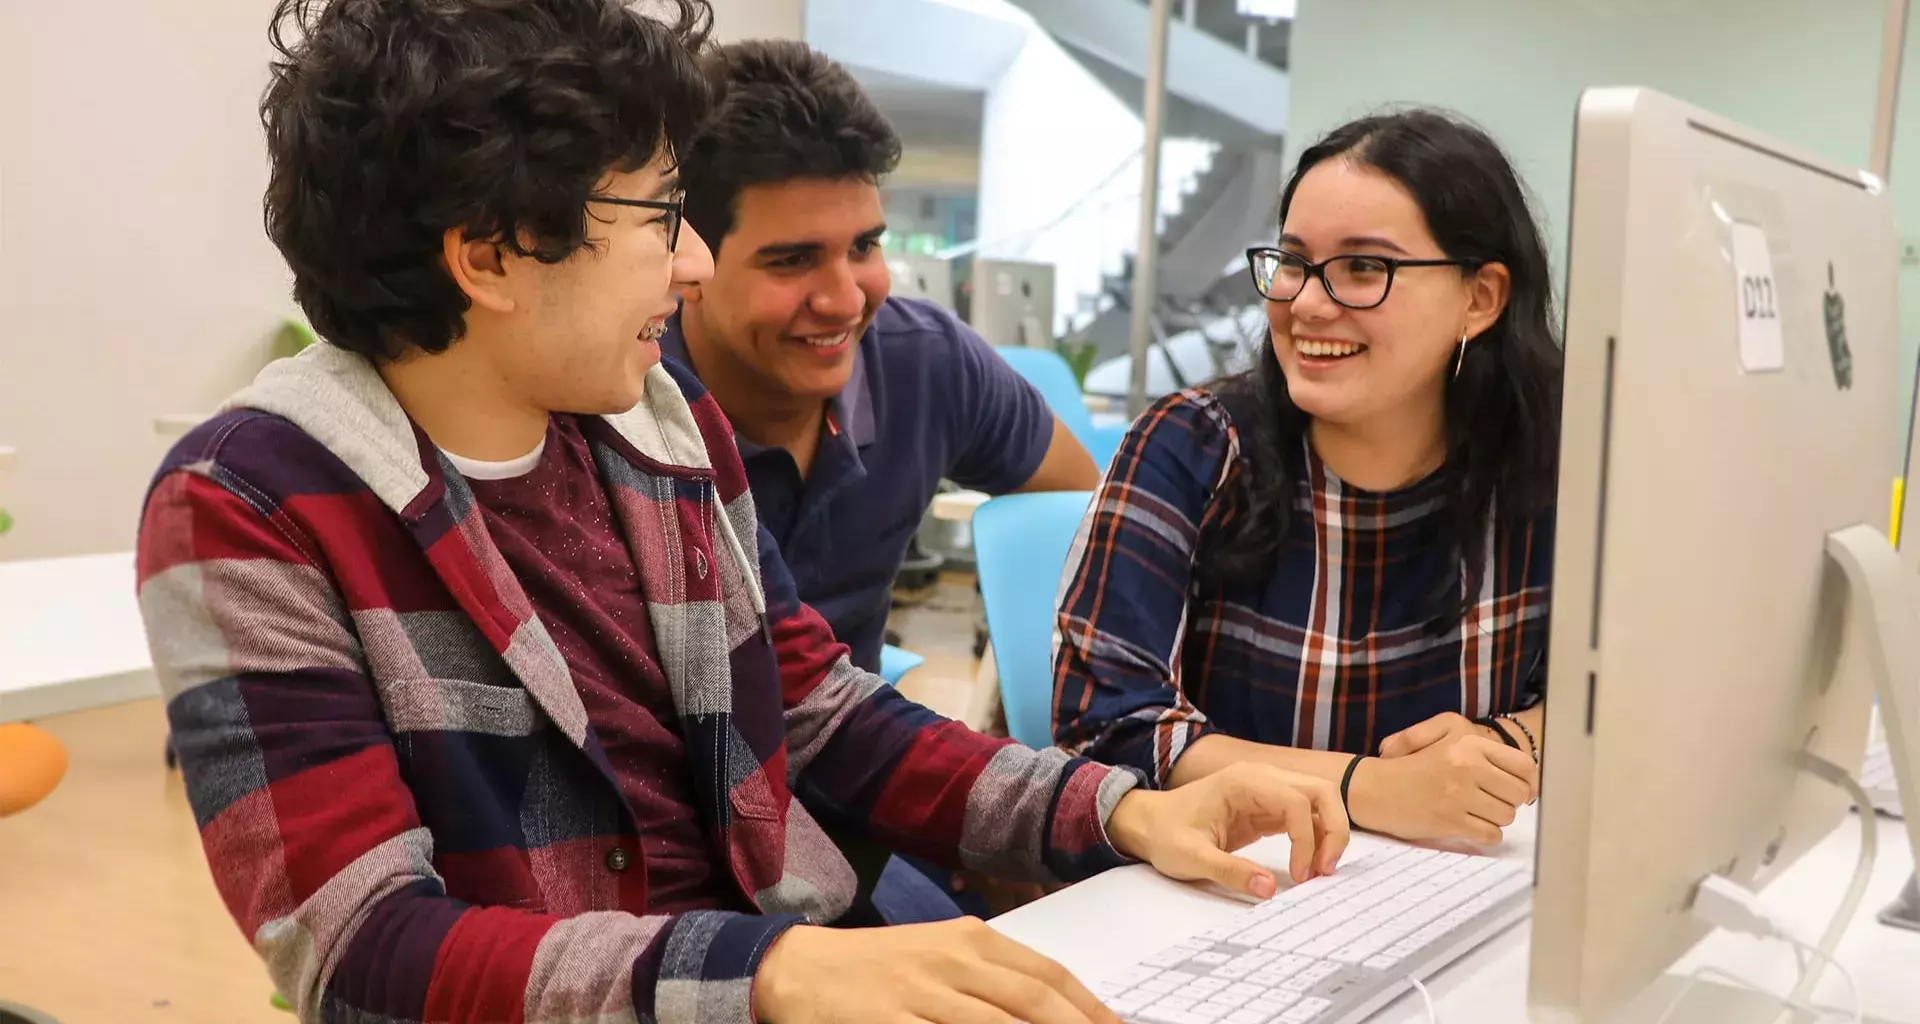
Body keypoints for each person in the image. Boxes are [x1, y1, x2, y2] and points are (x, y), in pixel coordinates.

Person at [137, 2, 1352, 1022]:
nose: (695, 264)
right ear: (492, 255)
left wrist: (1121, 807)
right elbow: (359, 948)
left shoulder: (662, 425)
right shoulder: (253, 504)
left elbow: (821, 712)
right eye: (660, 216)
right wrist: (770, 971)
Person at [1053, 109, 1561, 847]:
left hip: (1458, 877)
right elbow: (1103, 731)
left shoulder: (1552, 463)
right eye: (1293, 262)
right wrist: (1368, 788)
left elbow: (1619, 694)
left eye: (1364, 267)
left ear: (1479, 298)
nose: (1307, 303)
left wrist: (1506, 748)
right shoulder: (1192, 447)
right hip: (1227, 890)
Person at [666, 40, 1100, 675]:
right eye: (792, 259)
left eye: (865, 246)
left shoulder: (926, 363)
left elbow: (1085, 510)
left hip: (856, 755)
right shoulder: (622, 402)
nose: (845, 300)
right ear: (688, 257)